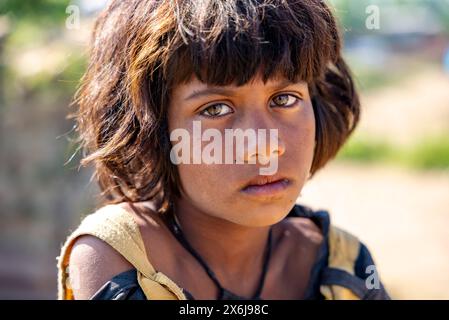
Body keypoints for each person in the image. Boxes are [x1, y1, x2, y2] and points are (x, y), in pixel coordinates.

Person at [57, 0, 390, 300]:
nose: (263, 147)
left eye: (284, 99)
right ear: (154, 131)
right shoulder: (123, 257)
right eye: (215, 109)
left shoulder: (344, 265)